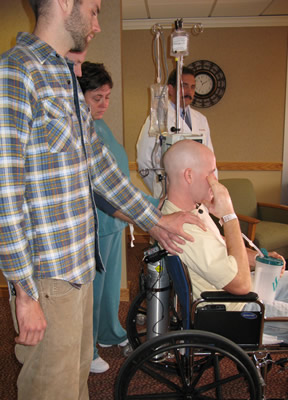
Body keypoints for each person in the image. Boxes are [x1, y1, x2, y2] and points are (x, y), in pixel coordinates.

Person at [0, 1, 205, 399]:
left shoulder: (63, 78)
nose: (96, 25)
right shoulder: (16, 72)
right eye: (93, 10)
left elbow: (103, 170)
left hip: (80, 266)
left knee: (76, 382)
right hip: (47, 276)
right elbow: (5, 193)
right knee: (50, 388)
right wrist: (23, 293)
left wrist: (156, 220)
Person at [162, 140, 288, 346]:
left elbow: (221, 244)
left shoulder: (190, 211)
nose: (217, 181)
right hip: (237, 310)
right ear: (189, 175)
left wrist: (257, 258)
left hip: (243, 293)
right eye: (211, 173)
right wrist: (229, 215)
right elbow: (242, 286)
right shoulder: (185, 229)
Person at [76, 61, 160, 373]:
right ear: (79, 94)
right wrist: (150, 211)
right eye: (97, 97)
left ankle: (109, 332)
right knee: (93, 289)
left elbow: (119, 179)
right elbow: (100, 189)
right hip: (95, 222)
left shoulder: (102, 126)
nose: (104, 104)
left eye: (108, 97)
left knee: (111, 286)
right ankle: (88, 347)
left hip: (114, 223)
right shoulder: (80, 130)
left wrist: (151, 203)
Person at [136, 66, 216, 198]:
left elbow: (210, 159)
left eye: (192, 87)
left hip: (199, 193)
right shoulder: (158, 118)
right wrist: (160, 189)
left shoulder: (201, 119)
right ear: (170, 89)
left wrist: (211, 190)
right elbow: (144, 160)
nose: (189, 91)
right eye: (184, 86)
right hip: (170, 193)